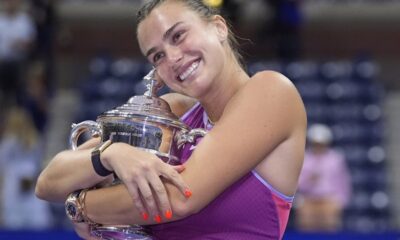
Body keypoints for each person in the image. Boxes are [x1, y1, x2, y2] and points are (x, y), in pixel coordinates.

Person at [35, 0, 307, 239]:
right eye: (157, 56)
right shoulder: (173, 111)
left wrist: (80, 206)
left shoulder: (271, 91)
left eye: (178, 36)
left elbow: (179, 198)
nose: (173, 58)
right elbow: (48, 182)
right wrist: (109, 154)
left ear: (218, 27)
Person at [0, 106, 52, 229]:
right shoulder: (10, 142)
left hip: (29, 185)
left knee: (30, 219)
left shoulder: (34, 140)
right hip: (15, 186)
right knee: (18, 219)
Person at [296, 123, 352, 232]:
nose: (318, 146)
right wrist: (308, 181)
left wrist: (340, 201)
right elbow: (297, 184)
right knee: (306, 227)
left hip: (329, 199)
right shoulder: (303, 158)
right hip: (308, 199)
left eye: (321, 143)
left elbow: (343, 181)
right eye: (316, 143)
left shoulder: (336, 159)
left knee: (330, 227)